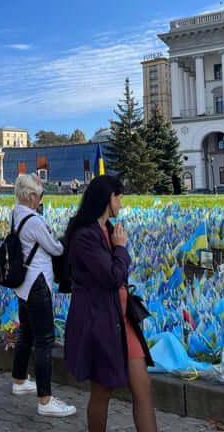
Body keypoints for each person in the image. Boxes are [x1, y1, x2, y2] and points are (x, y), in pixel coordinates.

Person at [64, 175, 156, 432]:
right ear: (108, 199)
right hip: (101, 322)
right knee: (103, 391)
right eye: (120, 197)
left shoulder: (108, 229)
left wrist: (118, 249)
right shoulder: (85, 236)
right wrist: (121, 249)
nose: (122, 203)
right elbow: (113, 276)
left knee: (143, 387)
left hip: (123, 319)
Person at [10, 174, 76, 417]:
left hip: (23, 285)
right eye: (39, 195)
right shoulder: (35, 221)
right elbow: (55, 248)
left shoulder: (16, 213)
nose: (41, 199)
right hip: (38, 284)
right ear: (30, 197)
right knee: (45, 341)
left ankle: (19, 380)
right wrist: (66, 241)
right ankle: (45, 400)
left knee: (25, 332)